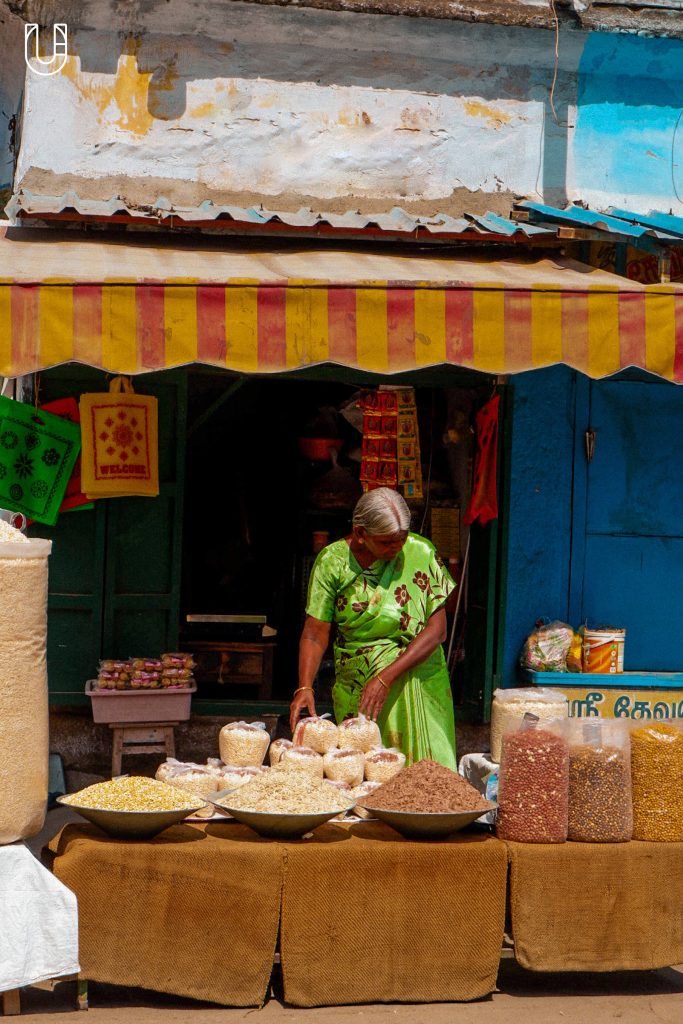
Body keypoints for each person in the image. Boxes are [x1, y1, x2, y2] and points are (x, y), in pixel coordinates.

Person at [289, 487, 457, 768]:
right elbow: (315, 633)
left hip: (421, 680)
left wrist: (386, 677)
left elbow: (437, 630)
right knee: (365, 773)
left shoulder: (421, 552)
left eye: (401, 540)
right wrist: (304, 685)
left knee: (430, 777)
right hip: (360, 682)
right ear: (360, 533)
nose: (396, 549)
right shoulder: (333, 563)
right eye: (386, 542)